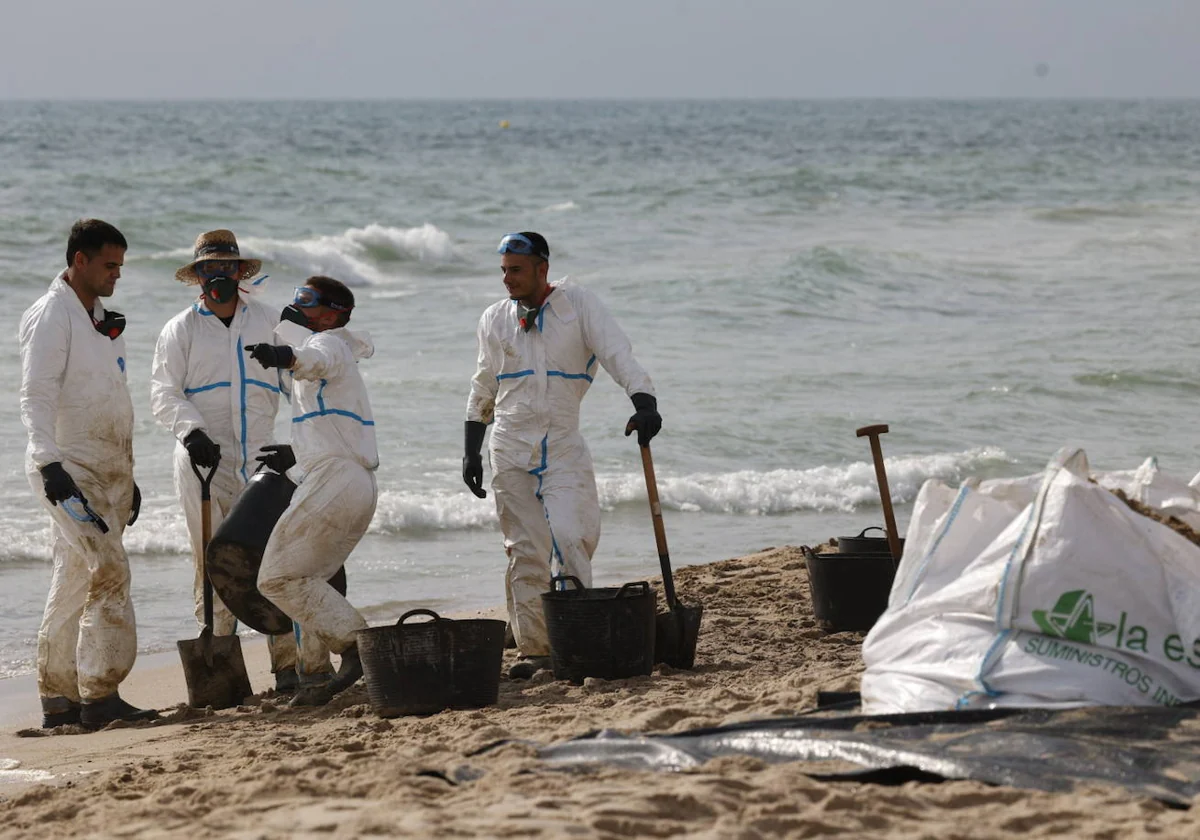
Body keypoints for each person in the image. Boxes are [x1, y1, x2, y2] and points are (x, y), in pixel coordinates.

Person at [463, 232, 662, 679]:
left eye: (516, 270)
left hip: (563, 447)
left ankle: (575, 640)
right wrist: (470, 449)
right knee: (525, 551)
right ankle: (536, 650)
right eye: (503, 270)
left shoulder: (578, 306)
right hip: (508, 449)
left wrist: (643, 400)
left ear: (541, 269)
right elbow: (483, 385)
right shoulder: (494, 319)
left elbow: (616, 353)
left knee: (573, 537)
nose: (507, 279)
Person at [150, 230, 332, 693]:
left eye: (226, 268)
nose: (218, 277)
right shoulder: (179, 330)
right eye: (209, 269)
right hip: (201, 465)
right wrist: (191, 432)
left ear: (239, 273)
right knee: (211, 563)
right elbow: (163, 393)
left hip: (264, 463)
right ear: (198, 277)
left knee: (273, 561)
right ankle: (222, 671)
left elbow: (306, 385)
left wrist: (300, 444)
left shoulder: (271, 323)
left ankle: (289, 669)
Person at [19, 219, 157, 729]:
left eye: (120, 266)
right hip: (69, 474)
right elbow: (35, 394)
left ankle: (58, 701)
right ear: (79, 260)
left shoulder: (100, 317)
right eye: (108, 265)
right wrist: (48, 463)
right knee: (110, 570)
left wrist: (127, 476)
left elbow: (106, 398)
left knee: (75, 579)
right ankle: (100, 696)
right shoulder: (52, 315)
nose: (116, 275)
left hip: (109, 474)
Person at [245, 276, 378, 706]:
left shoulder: (331, 345)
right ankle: (325, 671)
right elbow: (329, 424)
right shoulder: (337, 353)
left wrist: (281, 352)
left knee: (277, 578)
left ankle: (357, 647)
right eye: (295, 296)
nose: (297, 305)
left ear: (334, 312)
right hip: (344, 479)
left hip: (337, 480)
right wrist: (295, 455)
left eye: (308, 301)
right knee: (309, 579)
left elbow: (311, 359)